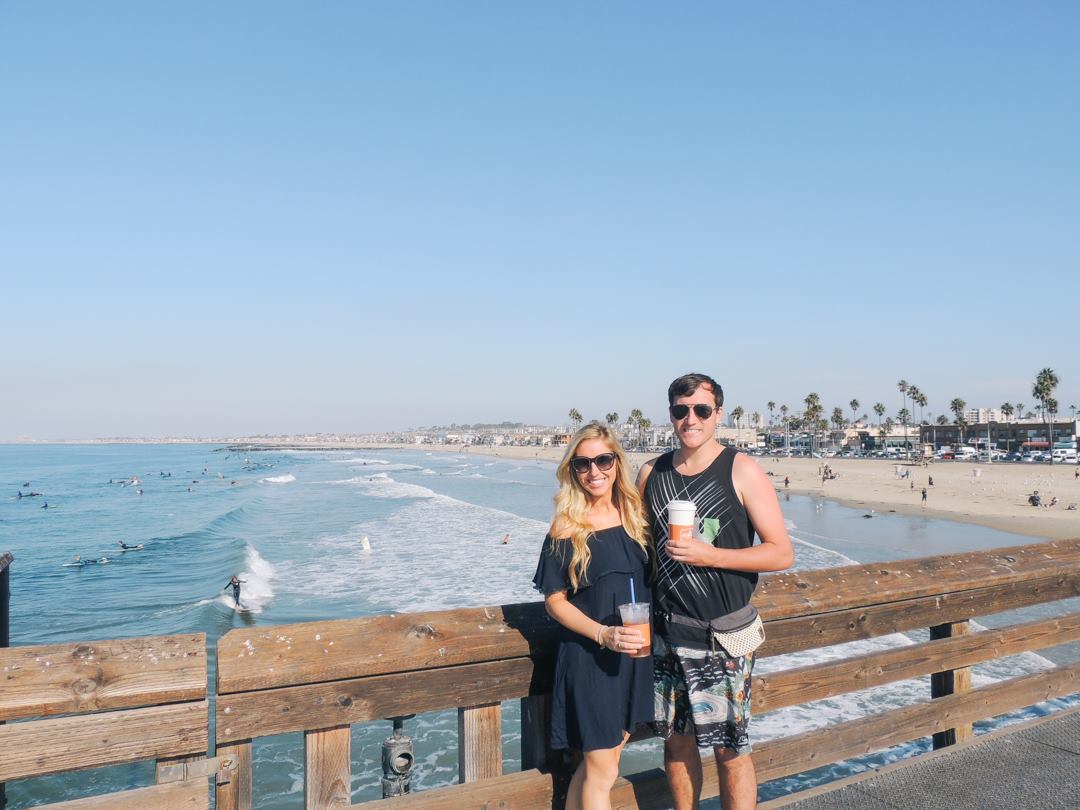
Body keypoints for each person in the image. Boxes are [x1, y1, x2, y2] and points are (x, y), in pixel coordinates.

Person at [637, 373, 793, 810]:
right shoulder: (652, 473)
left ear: (718, 414)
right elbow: (633, 543)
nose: (691, 419)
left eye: (702, 410)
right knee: (676, 744)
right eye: (681, 410)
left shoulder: (741, 468)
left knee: (730, 750)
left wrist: (712, 556)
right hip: (667, 635)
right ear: (671, 415)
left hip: (721, 637)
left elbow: (780, 553)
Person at [533, 422, 653, 810]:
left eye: (603, 460)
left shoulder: (634, 514)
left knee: (600, 765)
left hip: (633, 657)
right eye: (583, 464)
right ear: (573, 470)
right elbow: (554, 600)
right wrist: (603, 634)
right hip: (590, 659)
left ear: (617, 462)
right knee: (602, 771)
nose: (594, 472)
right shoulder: (567, 524)